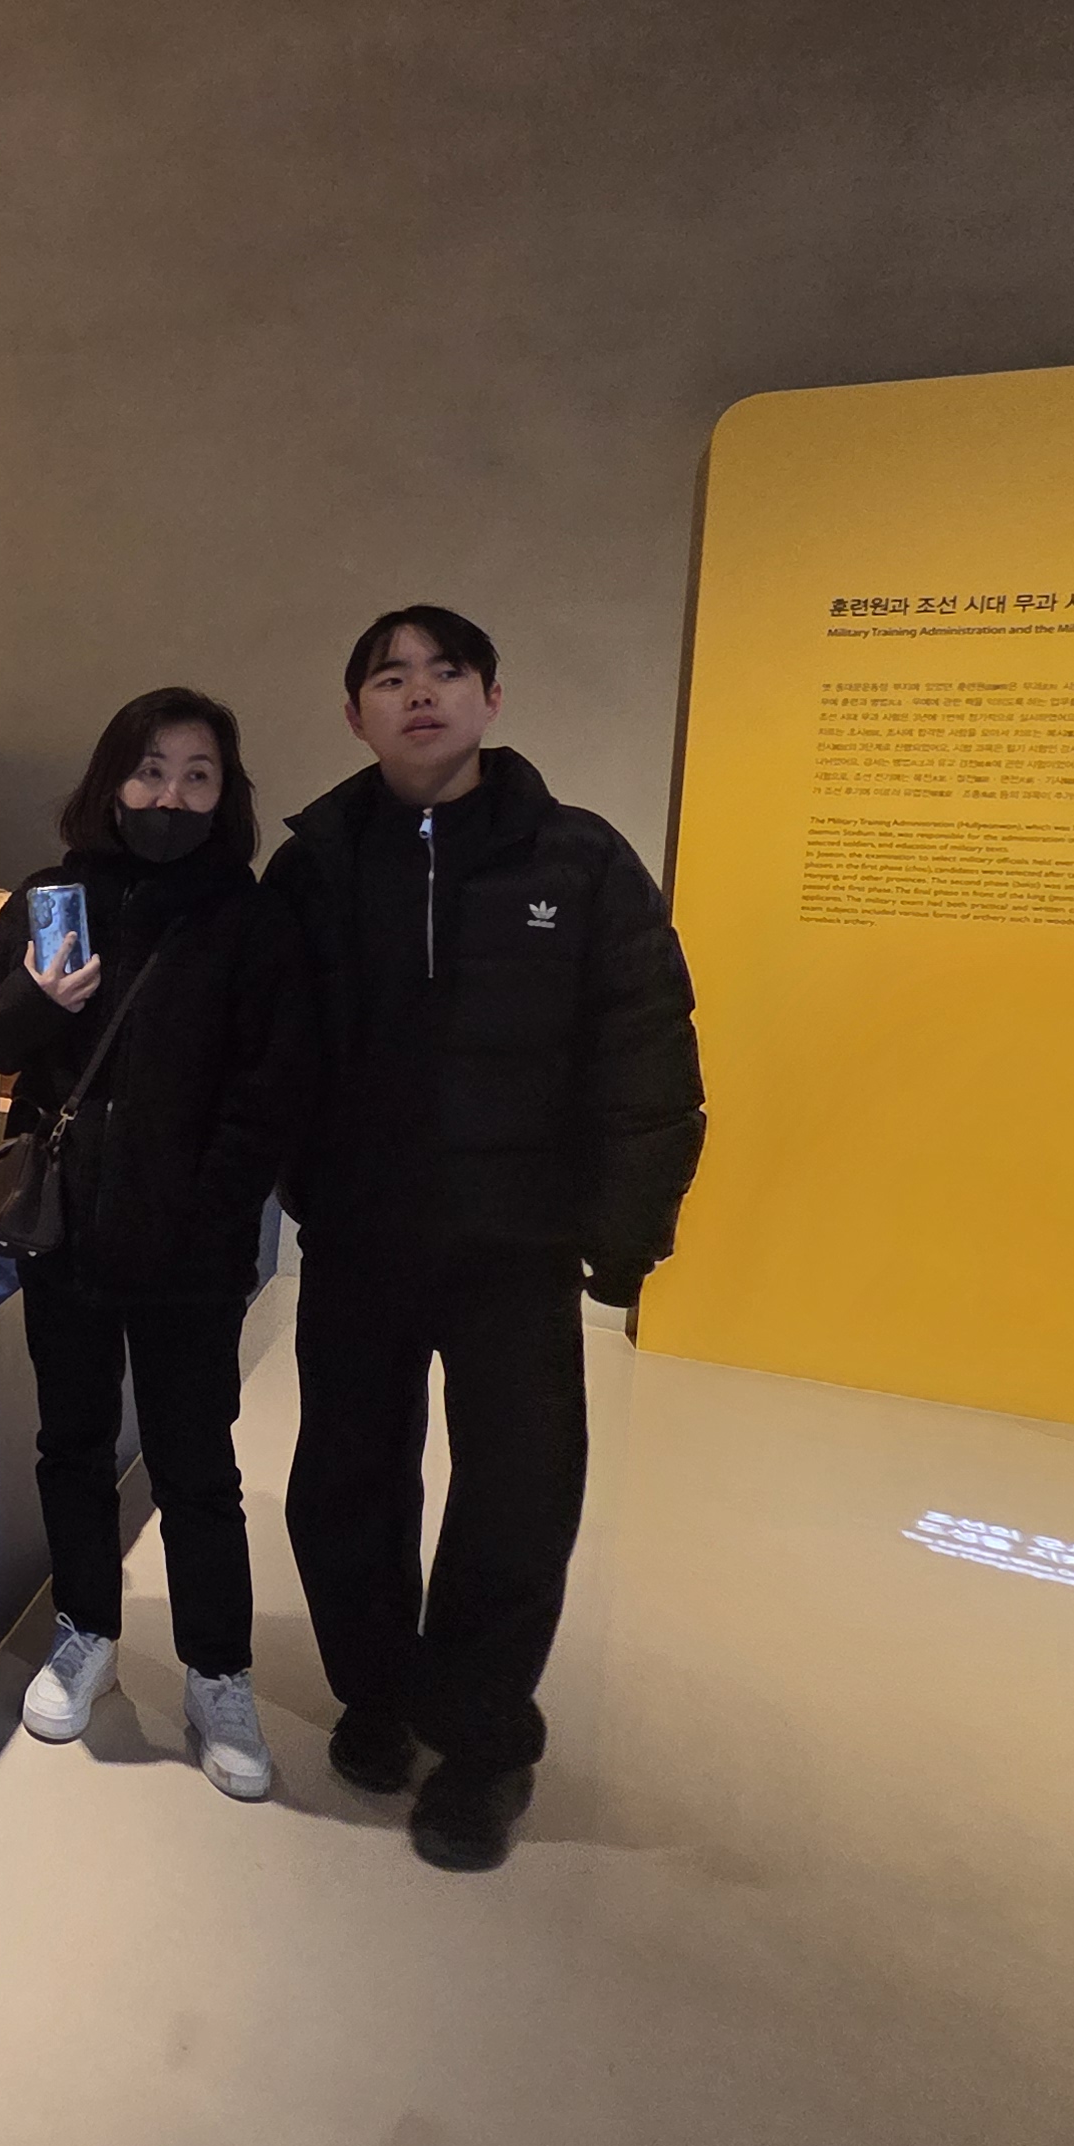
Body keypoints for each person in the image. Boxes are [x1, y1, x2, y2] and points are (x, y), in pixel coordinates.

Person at [261, 607, 704, 1869]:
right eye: (389, 678)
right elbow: (272, 1049)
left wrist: (626, 1230)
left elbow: (646, 1050)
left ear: (490, 699)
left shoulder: (578, 858)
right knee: (346, 1477)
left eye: (445, 673)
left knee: (517, 1490)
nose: (420, 695)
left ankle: (482, 1736)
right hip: (361, 1234)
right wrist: (290, 1185)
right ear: (355, 714)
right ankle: (375, 1689)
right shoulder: (317, 864)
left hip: (518, 1243)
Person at [0, 686, 296, 1801]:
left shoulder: (246, 918)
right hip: (66, 1233)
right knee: (72, 1442)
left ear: (224, 793)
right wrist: (40, 1002)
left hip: (191, 1254)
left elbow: (267, 1094)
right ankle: (86, 1631)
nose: (170, 796)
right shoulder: (52, 898)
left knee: (197, 1466)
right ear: (111, 780)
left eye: (197, 775)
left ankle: (217, 1671)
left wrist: (208, 1216)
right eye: (151, 770)